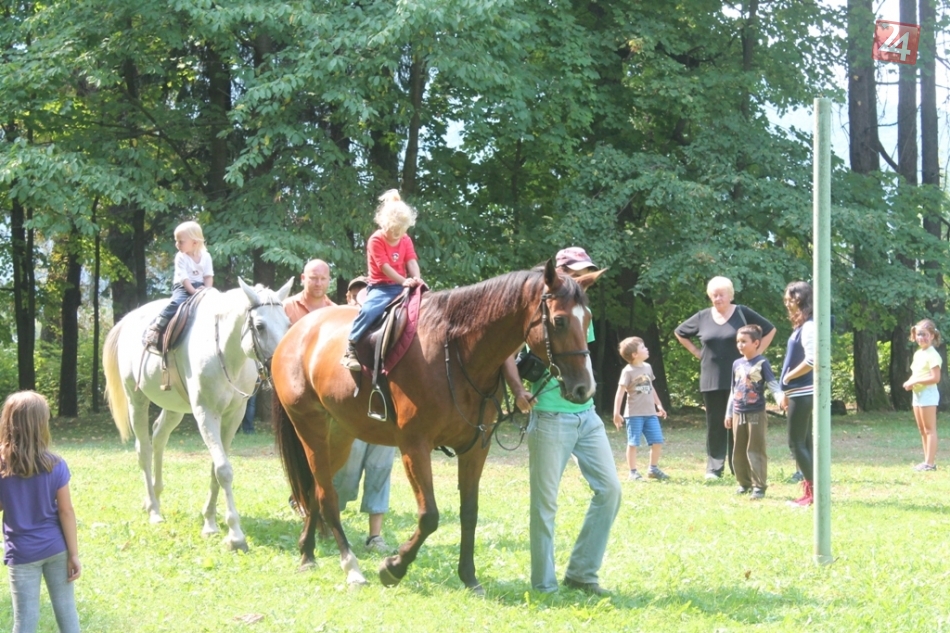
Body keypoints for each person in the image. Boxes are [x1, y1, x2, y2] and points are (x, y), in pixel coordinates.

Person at [502, 247, 621, 596]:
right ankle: (544, 585)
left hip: (586, 415)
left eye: (585, 272)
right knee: (545, 504)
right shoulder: (534, 309)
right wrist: (518, 391)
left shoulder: (579, 310)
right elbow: (506, 353)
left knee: (610, 490)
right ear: (560, 272)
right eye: (576, 272)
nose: (580, 279)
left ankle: (582, 573)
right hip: (550, 416)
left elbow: (579, 355)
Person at [674, 276, 775, 479]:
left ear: (730, 295)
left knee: (738, 423)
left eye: (721, 294)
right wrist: (697, 353)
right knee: (715, 423)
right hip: (711, 377)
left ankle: (738, 467)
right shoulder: (702, 317)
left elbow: (770, 330)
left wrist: (755, 355)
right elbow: (680, 332)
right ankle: (714, 468)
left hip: (741, 379)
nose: (718, 298)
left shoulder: (742, 312)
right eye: (714, 295)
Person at [0, 391, 81, 633]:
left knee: (25, 621)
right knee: (67, 613)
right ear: (41, 424)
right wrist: (74, 555)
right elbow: (66, 512)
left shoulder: (2, 464)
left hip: (21, 553)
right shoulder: (55, 463)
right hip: (56, 548)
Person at [332, 274, 397, 554]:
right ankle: (332, 522)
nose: (364, 298)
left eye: (368, 293)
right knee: (345, 474)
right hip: (354, 417)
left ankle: (375, 536)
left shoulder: (391, 327)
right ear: (349, 298)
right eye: (357, 293)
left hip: (385, 415)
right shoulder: (343, 332)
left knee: (380, 473)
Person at [341, 190, 423, 371]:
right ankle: (351, 347)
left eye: (401, 231)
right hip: (382, 287)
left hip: (402, 285)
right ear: (384, 223)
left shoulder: (405, 239)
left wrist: (417, 279)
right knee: (370, 310)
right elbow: (384, 267)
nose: (397, 235)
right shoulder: (376, 240)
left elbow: (411, 261)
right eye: (394, 231)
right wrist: (403, 281)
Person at [725, 325, 783, 500]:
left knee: (755, 449)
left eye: (744, 341)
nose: (740, 345)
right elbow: (733, 390)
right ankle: (744, 483)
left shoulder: (762, 362)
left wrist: (780, 399)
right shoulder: (736, 364)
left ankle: (759, 486)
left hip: (756, 412)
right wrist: (728, 413)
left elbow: (772, 384)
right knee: (738, 450)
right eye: (738, 341)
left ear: (756, 343)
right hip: (738, 412)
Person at [145, 220, 214, 347]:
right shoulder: (181, 257)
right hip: (183, 286)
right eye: (176, 241)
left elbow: (208, 276)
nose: (177, 245)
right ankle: (157, 326)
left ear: (195, 242)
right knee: (176, 302)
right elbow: (184, 278)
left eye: (181, 241)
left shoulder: (206, 256)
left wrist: (207, 291)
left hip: (201, 287)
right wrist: (194, 292)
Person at [611, 336, 669, 481]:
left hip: (650, 414)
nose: (646, 349)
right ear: (634, 354)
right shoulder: (628, 371)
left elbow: (651, 387)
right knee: (633, 443)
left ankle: (653, 469)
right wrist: (616, 413)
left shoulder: (648, 367)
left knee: (657, 441)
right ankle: (633, 472)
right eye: (643, 347)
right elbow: (620, 393)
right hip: (634, 414)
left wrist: (659, 405)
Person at [779, 281, 816, 505]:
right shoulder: (801, 326)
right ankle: (813, 492)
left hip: (803, 392)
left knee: (796, 443)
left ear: (800, 299)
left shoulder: (809, 326)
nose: (787, 303)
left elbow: (812, 360)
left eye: (790, 299)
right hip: (797, 391)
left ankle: (812, 493)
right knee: (805, 442)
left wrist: (788, 378)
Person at [902, 319, 942, 472]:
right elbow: (917, 373)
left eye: (925, 334)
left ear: (932, 336)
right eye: (919, 334)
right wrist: (910, 382)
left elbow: (935, 378)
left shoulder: (933, 355)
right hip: (917, 394)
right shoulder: (919, 353)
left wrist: (916, 381)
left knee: (930, 429)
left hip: (928, 394)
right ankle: (926, 461)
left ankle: (930, 464)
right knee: (922, 429)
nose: (921, 338)